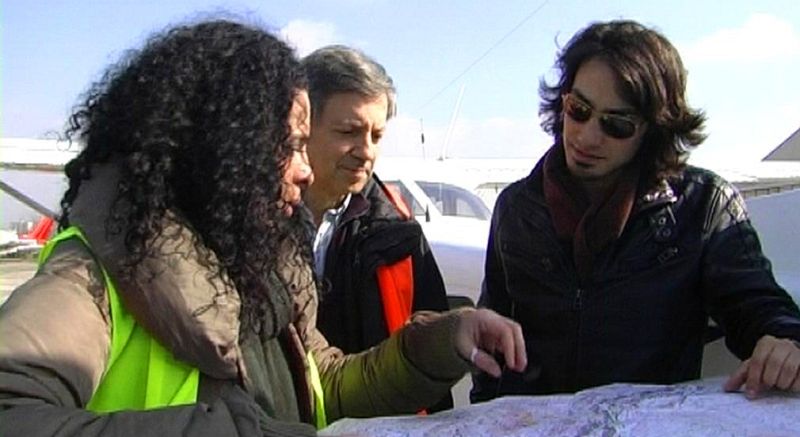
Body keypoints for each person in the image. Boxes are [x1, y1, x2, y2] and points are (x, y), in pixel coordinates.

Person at [0, 20, 526, 436]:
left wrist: (442, 342)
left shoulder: (263, 264)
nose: (304, 168)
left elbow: (326, 391)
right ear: (224, 147)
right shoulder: (92, 273)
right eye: (293, 146)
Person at [472, 19, 800, 403]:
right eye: (578, 109)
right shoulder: (516, 208)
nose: (587, 136)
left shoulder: (703, 205)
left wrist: (786, 343)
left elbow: (757, 307)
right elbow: (493, 344)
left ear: (653, 129)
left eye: (617, 124)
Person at [301, 45, 451, 381]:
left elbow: (428, 360)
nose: (366, 151)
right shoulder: (247, 224)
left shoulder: (397, 231)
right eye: (349, 132)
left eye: (377, 135)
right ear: (300, 125)